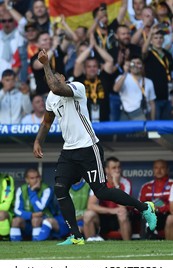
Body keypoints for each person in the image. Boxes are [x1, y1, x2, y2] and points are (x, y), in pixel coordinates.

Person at [33, 48, 157, 246]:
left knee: (101, 191)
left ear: (63, 77)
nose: (52, 82)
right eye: (50, 79)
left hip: (89, 147)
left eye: (55, 78)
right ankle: (76, 236)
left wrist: (46, 64)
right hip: (69, 150)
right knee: (60, 188)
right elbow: (47, 122)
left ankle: (144, 208)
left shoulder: (77, 88)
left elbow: (57, 87)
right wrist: (38, 140)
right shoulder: (51, 97)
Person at [10, 168, 69, 241]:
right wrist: (31, 215)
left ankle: (36, 243)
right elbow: (17, 210)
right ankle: (16, 246)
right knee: (16, 221)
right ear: (27, 180)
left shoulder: (47, 189)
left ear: (40, 178)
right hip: (27, 222)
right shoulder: (21, 189)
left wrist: (32, 192)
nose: (35, 180)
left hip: (43, 222)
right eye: (32, 178)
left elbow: (39, 208)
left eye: (37, 177)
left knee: (36, 220)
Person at [83, 157, 132, 241]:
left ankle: (128, 246)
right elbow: (90, 205)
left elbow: (122, 207)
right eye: (114, 168)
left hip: (119, 218)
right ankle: (90, 246)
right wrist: (111, 210)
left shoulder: (125, 182)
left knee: (122, 214)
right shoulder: (99, 182)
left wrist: (116, 185)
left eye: (118, 167)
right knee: (88, 215)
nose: (117, 170)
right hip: (103, 218)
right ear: (106, 170)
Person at [113, 55, 156, 120]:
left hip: (141, 114)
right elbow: (116, 89)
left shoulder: (149, 82)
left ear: (142, 66)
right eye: (133, 63)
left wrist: (153, 121)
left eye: (138, 63)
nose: (135, 65)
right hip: (125, 114)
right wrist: (125, 72)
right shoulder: (122, 78)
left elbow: (152, 103)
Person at [139, 159, 173, 240]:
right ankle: (145, 240)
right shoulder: (146, 186)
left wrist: (160, 208)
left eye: (162, 168)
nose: (159, 170)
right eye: (156, 168)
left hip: (166, 215)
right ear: (153, 170)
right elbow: (140, 205)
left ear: (167, 170)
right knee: (145, 215)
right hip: (151, 215)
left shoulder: (172, 184)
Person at [0, 173, 15, 240]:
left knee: (1, 214)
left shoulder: (6, 180)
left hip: (7, 213)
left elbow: (6, 205)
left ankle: (4, 238)